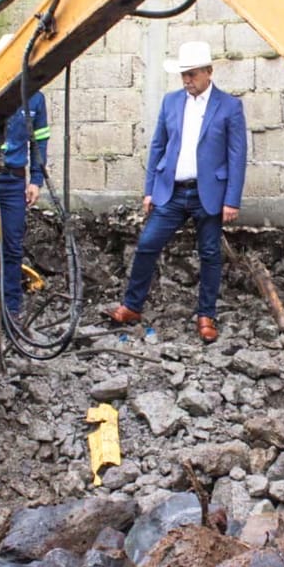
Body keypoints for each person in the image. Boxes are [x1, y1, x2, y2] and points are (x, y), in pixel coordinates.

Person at [103, 40, 247, 343]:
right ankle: (132, 306)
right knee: (147, 244)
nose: (186, 80)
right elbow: (158, 146)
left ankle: (206, 315)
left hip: (208, 194)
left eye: (192, 74)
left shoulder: (230, 106)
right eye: (183, 75)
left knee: (209, 254)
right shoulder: (171, 102)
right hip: (171, 191)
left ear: (208, 72)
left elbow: (237, 156)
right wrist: (149, 191)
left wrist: (232, 200)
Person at [0, 90, 49, 324]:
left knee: (12, 245)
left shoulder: (36, 98)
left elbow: (40, 141)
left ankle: (10, 309)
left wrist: (36, 180)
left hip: (13, 180)